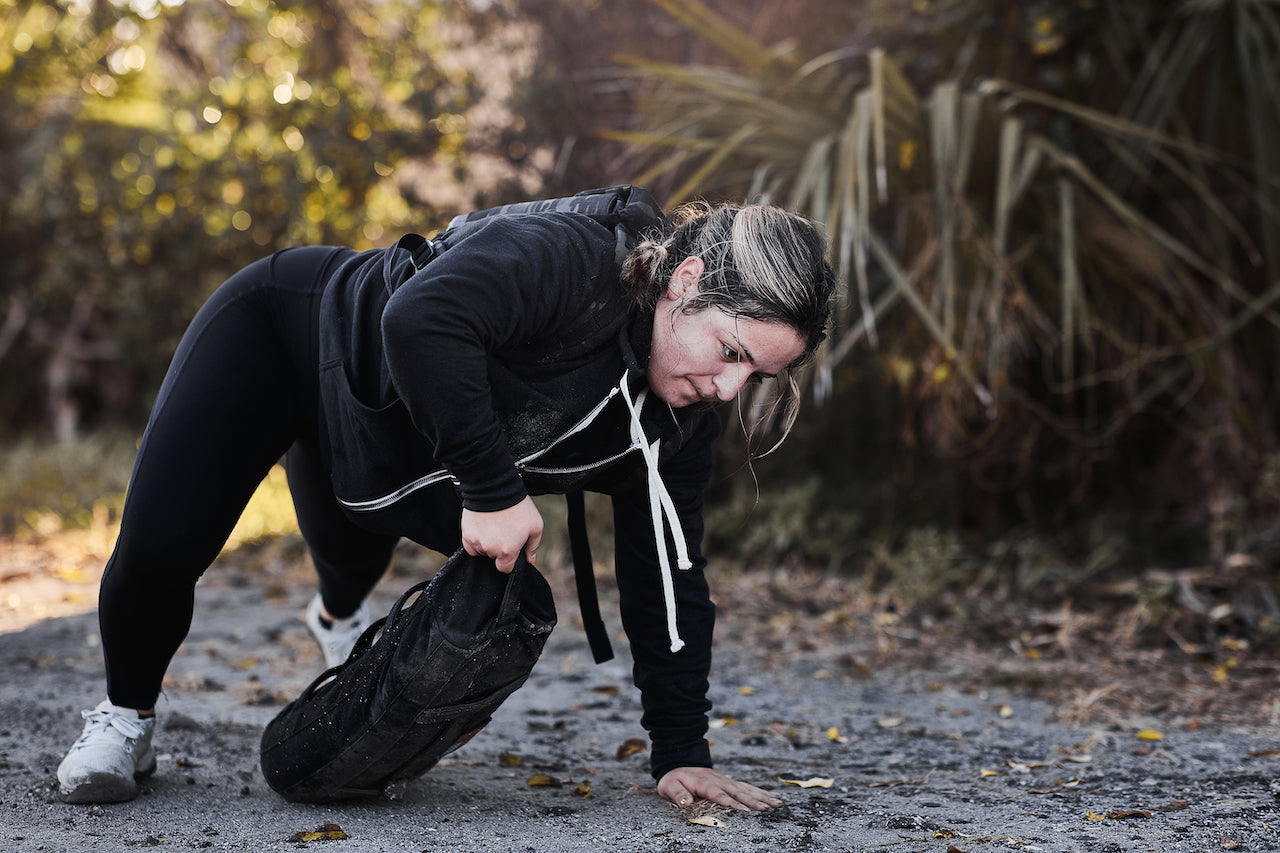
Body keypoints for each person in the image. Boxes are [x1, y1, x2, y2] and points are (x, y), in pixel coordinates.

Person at [54, 188, 836, 811]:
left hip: (402, 454)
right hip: (290, 335)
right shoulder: (572, 263)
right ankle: (127, 719)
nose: (729, 388)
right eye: (732, 352)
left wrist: (681, 748)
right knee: (163, 545)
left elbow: (669, 577)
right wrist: (495, 491)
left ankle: (338, 620)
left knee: (357, 557)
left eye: (755, 377)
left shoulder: (677, 423)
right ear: (687, 283)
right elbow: (421, 317)